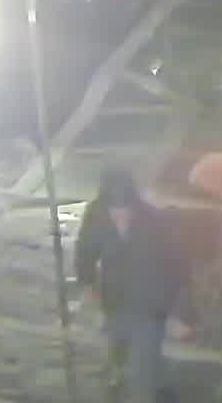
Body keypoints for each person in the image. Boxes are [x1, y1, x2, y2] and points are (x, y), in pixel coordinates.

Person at [72, 169, 188, 403]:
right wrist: (87, 283)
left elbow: (176, 267)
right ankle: (162, 387)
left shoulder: (154, 220)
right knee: (123, 355)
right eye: (114, 213)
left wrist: (179, 314)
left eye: (124, 212)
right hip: (114, 302)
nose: (119, 218)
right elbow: (85, 250)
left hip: (150, 305)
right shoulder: (96, 214)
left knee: (140, 372)